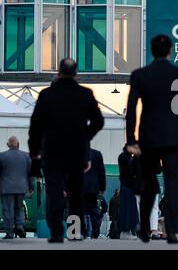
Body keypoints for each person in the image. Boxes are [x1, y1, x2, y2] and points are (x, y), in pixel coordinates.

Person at [126, 34, 178, 243]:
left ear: (151, 50)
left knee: (148, 181)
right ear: (170, 51)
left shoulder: (140, 75)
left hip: (149, 136)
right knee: (173, 183)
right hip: (174, 136)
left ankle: (144, 229)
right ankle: (173, 230)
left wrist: (131, 139)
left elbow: (132, 108)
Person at [28, 58, 104, 243]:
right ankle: (74, 231)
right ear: (76, 73)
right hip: (76, 153)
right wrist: (84, 137)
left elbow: (36, 126)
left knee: (55, 192)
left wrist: (35, 152)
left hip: (52, 152)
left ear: (58, 72)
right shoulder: (85, 94)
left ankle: (56, 232)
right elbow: (98, 121)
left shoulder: (46, 95)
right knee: (75, 194)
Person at [0, 136, 33, 239]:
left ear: (8, 144)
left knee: (8, 210)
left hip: (6, 188)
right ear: (18, 144)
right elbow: (30, 174)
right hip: (21, 188)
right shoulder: (26, 156)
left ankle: (9, 233)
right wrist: (31, 187)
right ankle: (19, 226)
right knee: (19, 208)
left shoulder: (2, 156)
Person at [83, 148, 106, 239]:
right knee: (93, 209)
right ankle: (96, 231)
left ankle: (76, 232)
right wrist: (102, 187)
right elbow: (101, 172)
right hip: (93, 187)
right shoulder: (97, 154)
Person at [118, 147, 140, 240]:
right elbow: (132, 171)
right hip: (128, 186)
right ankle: (127, 230)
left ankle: (126, 230)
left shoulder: (123, 156)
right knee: (129, 209)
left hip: (126, 186)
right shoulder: (126, 158)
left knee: (126, 209)